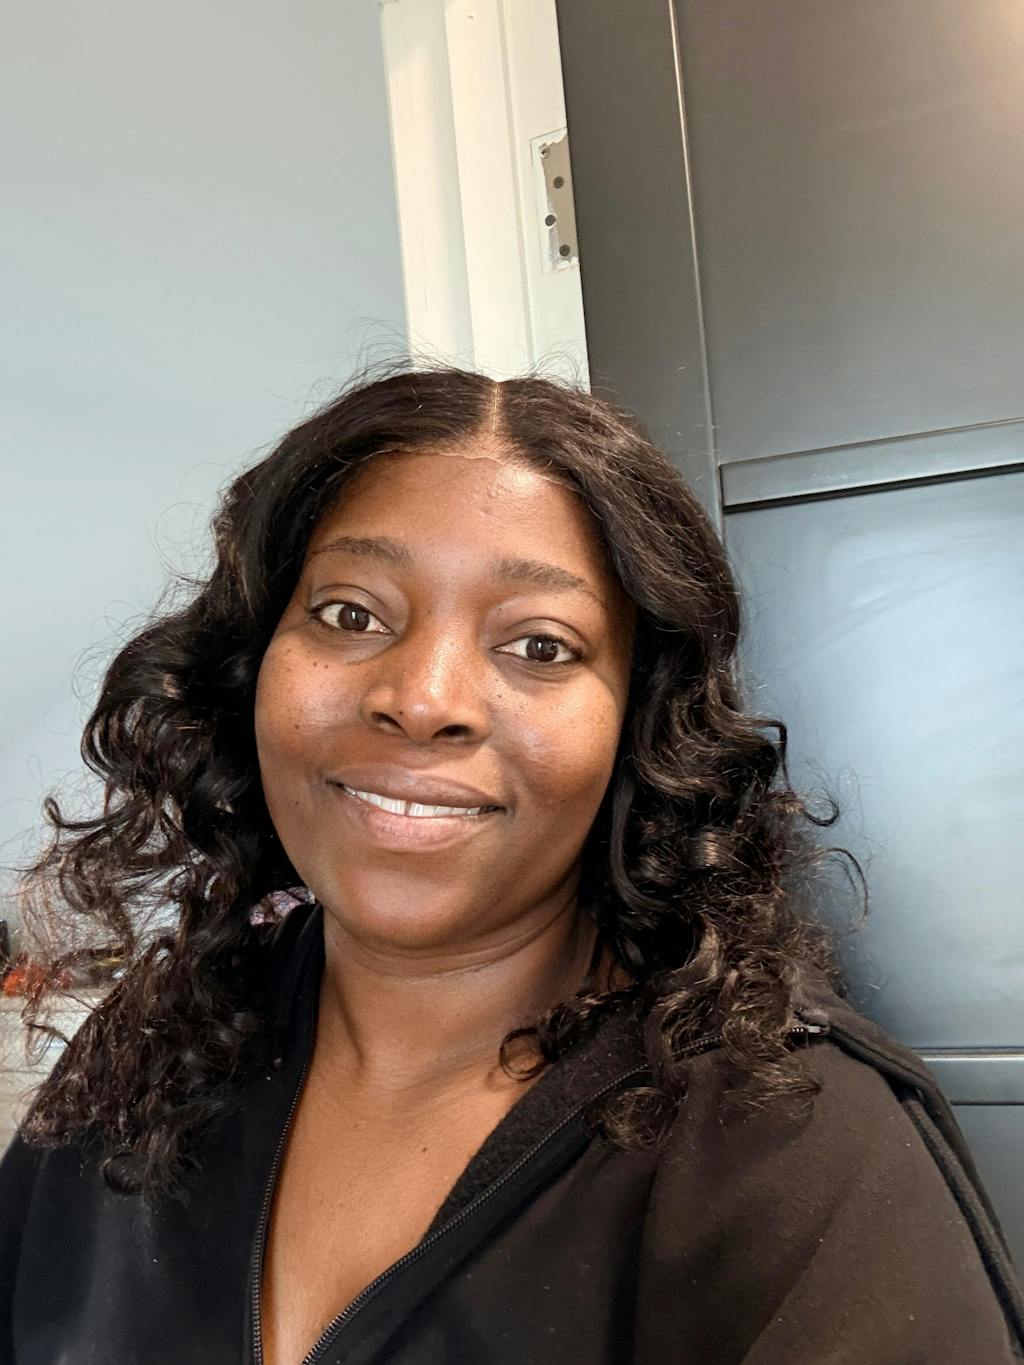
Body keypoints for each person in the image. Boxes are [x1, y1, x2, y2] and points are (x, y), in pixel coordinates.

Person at [0, 362, 1020, 1364]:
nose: (422, 699)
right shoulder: (149, 1050)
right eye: (351, 613)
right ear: (251, 667)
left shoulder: (792, 1143)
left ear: (637, 724)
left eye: (539, 645)